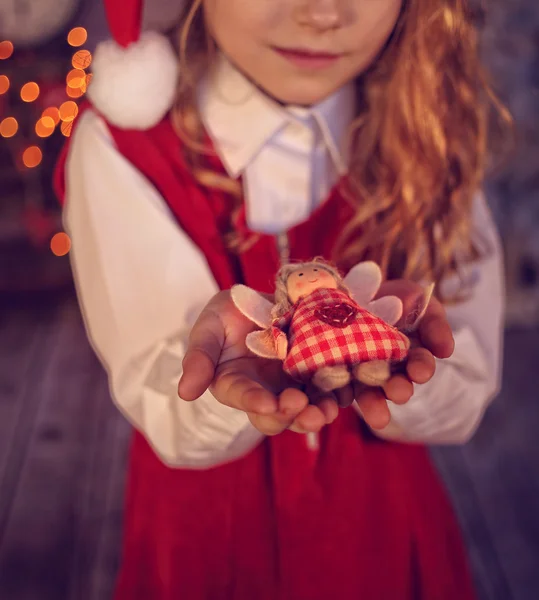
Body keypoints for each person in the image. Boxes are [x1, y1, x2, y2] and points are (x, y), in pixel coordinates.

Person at [55, 0, 509, 598]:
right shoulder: (126, 146)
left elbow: (466, 387)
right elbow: (159, 393)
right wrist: (226, 391)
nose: (323, 14)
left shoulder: (430, 132)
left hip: (380, 544)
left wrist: (406, 366)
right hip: (207, 553)